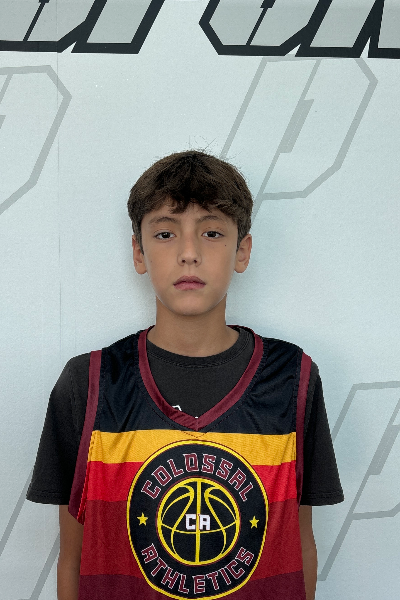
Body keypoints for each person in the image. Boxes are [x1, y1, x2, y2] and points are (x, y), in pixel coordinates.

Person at [27, 150, 344, 600]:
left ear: (242, 251)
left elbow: (300, 544)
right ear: (139, 252)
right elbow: (73, 558)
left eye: (212, 233)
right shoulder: (90, 383)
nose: (189, 253)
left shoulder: (293, 379)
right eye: (165, 233)